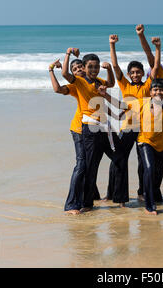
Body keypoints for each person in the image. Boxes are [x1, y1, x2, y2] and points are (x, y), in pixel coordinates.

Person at [106, 34, 159, 205]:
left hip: (144, 129)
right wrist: (112, 44)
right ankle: (118, 196)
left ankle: (142, 192)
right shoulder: (125, 84)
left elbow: (155, 66)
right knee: (120, 160)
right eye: (133, 72)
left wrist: (158, 48)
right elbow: (114, 65)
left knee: (143, 163)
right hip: (128, 128)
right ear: (129, 74)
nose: (135, 74)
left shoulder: (147, 85)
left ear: (143, 73)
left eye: (138, 72)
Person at [62, 51, 119, 212]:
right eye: (90, 67)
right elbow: (65, 74)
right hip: (88, 127)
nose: (94, 69)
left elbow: (111, 83)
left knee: (101, 163)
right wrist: (67, 54)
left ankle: (93, 202)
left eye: (96, 66)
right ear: (84, 68)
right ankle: (74, 205)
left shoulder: (99, 81)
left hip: (103, 127)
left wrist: (108, 69)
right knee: (85, 166)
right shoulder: (79, 81)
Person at [48, 51, 99, 215]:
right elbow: (57, 89)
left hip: (93, 128)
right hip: (78, 129)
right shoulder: (75, 85)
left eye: (80, 67)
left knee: (89, 165)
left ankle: (88, 200)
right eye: (74, 69)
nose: (78, 70)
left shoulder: (91, 83)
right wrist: (51, 70)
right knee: (81, 164)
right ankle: (71, 205)